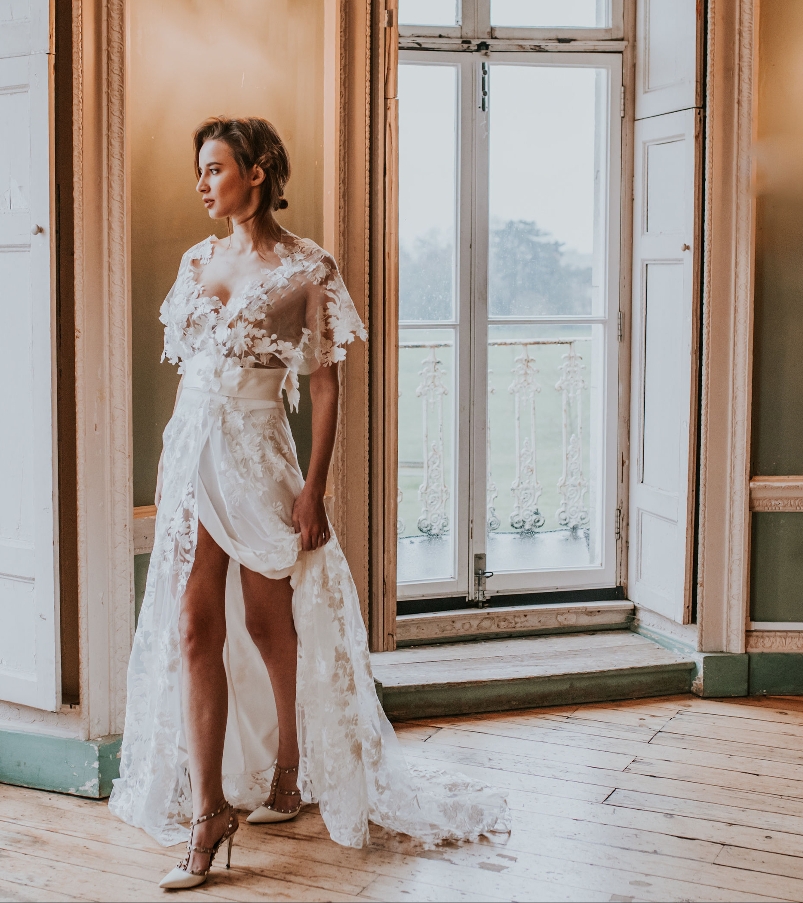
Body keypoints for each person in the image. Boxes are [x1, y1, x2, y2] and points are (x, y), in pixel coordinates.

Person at [108, 116, 507, 891]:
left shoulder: (307, 268)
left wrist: (315, 489)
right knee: (193, 624)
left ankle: (291, 765)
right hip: (192, 455)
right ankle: (209, 811)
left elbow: (324, 384)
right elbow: (191, 368)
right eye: (200, 170)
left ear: (256, 173)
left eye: (216, 168)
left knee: (265, 621)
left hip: (258, 459)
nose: (203, 183)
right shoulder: (196, 260)